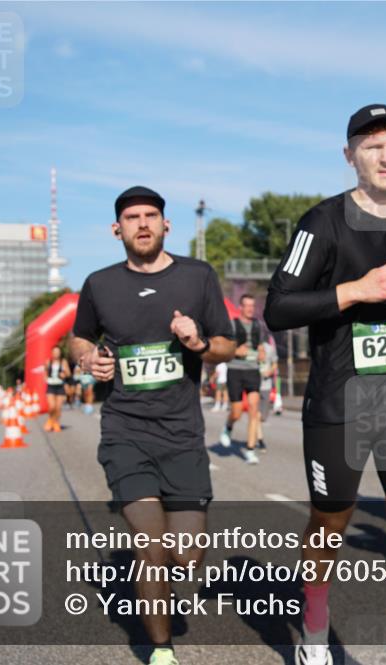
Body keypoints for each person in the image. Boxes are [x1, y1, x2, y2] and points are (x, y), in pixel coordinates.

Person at [265, 103, 386, 665]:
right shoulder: (324, 222)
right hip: (341, 401)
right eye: (372, 146)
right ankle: (314, 622)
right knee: (329, 526)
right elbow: (278, 308)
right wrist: (356, 290)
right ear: (350, 157)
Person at [70, 185, 236, 665]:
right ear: (116, 229)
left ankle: (168, 584)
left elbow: (228, 344)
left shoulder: (198, 276)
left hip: (182, 435)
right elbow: (78, 337)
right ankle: (161, 653)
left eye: (151, 216)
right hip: (125, 431)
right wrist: (87, 357)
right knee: (150, 545)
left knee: (185, 555)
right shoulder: (99, 284)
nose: (142, 224)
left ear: (166, 225)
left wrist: (198, 341)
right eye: (132, 217)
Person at [219, 294, 266, 465]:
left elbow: (260, 346)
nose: (250, 309)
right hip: (235, 370)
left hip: (252, 370)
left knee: (254, 409)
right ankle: (228, 426)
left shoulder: (258, 325)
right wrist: (235, 351)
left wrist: (261, 353)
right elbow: (225, 348)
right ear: (240, 307)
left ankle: (251, 449)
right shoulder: (232, 325)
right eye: (247, 305)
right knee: (237, 411)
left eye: (252, 306)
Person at [256, 338, 278, 452]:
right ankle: (260, 440)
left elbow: (275, 364)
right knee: (256, 415)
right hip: (254, 385)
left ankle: (257, 434)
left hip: (266, 385)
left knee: (263, 417)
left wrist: (269, 372)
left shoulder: (270, 349)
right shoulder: (251, 347)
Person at [44, 346, 70, 432]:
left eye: (58, 352)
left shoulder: (63, 362)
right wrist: (45, 378)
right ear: (52, 353)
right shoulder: (48, 362)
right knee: (52, 406)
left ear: (60, 353)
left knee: (58, 408)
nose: (56, 353)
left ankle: (55, 422)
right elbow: (45, 372)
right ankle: (50, 420)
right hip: (51, 386)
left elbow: (69, 374)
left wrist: (64, 374)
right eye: (54, 352)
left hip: (60, 386)